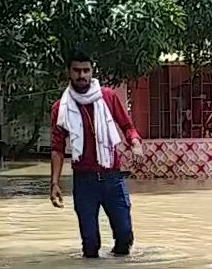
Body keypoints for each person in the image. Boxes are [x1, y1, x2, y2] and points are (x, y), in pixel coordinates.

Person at [50, 51, 144, 258]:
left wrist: (135, 143)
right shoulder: (61, 108)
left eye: (86, 70)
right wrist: (54, 183)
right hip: (84, 182)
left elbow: (127, 126)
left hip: (113, 178)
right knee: (90, 245)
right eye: (76, 70)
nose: (81, 75)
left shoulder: (108, 97)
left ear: (92, 71)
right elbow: (57, 148)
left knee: (124, 236)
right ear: (68, 72)